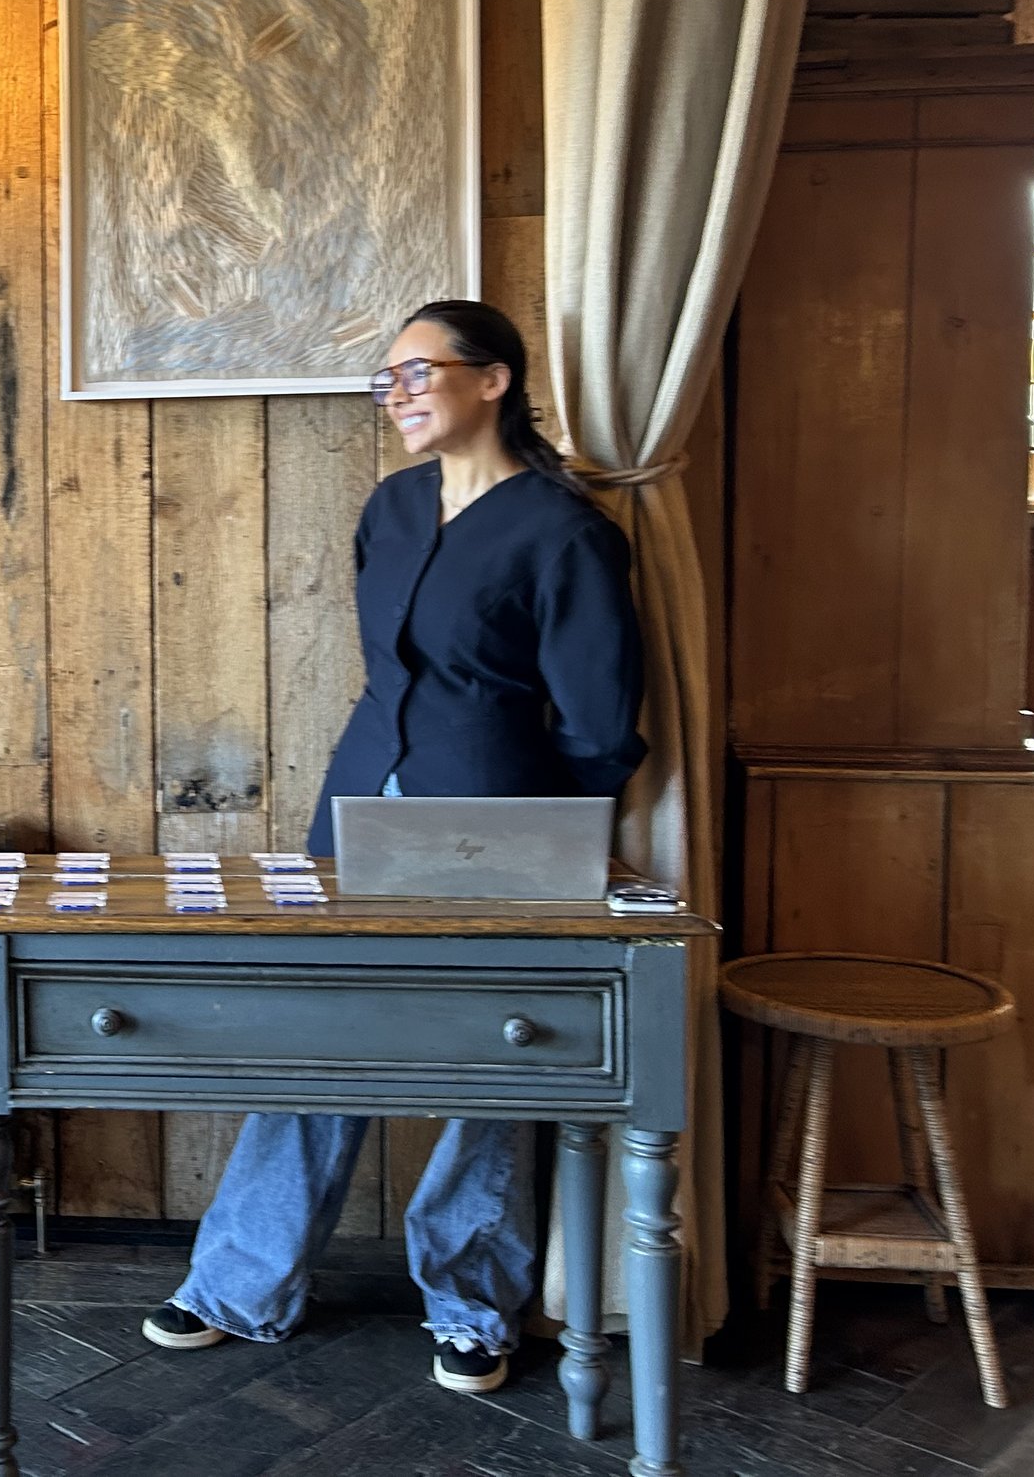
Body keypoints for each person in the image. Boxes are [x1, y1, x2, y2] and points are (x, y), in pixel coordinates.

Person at [140, 299, 646, 1395]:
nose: (399, 394)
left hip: (505, 826)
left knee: (498, 1064)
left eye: (418, 372)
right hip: (358, 804)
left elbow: (605, 728)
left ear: (494, 380)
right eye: (388, 380)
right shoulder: (392, 507)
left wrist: (544, 837)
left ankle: (471, 1304)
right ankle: (238, 1284)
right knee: (316, 1031)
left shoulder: (565, 531)